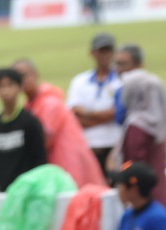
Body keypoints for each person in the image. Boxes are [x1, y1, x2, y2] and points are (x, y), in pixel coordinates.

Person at [12, 58, 106, 190]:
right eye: (16, 76)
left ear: (35, 74)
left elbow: (43, 140)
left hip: (68, 167)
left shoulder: (49, 103)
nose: (21, 80)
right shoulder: (31, 105)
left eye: (24, 75)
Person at [111, 45, 166, 207]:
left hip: (144, 201)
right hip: (156, 196)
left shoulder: (137, 126)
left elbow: (135, 171)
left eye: (123, 64)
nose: (119, 70)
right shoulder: (155, 123)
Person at [66, 32, 122, 175]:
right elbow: (73, 116)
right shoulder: (79, 81)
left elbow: (117, 113)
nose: (105, 55)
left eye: (108, 51)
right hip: (87, 147)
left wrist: (87, 114)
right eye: (101, 51)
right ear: (92, 53)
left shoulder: (121, 80)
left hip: (114, 145)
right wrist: (104, 117)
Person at [0, 67, 47, 192]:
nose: (6, 91)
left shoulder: (30, 122)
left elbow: (40, 160)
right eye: (1, 86)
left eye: (10, 85)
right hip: (4, 191)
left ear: (20, 87)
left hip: (27, 192)